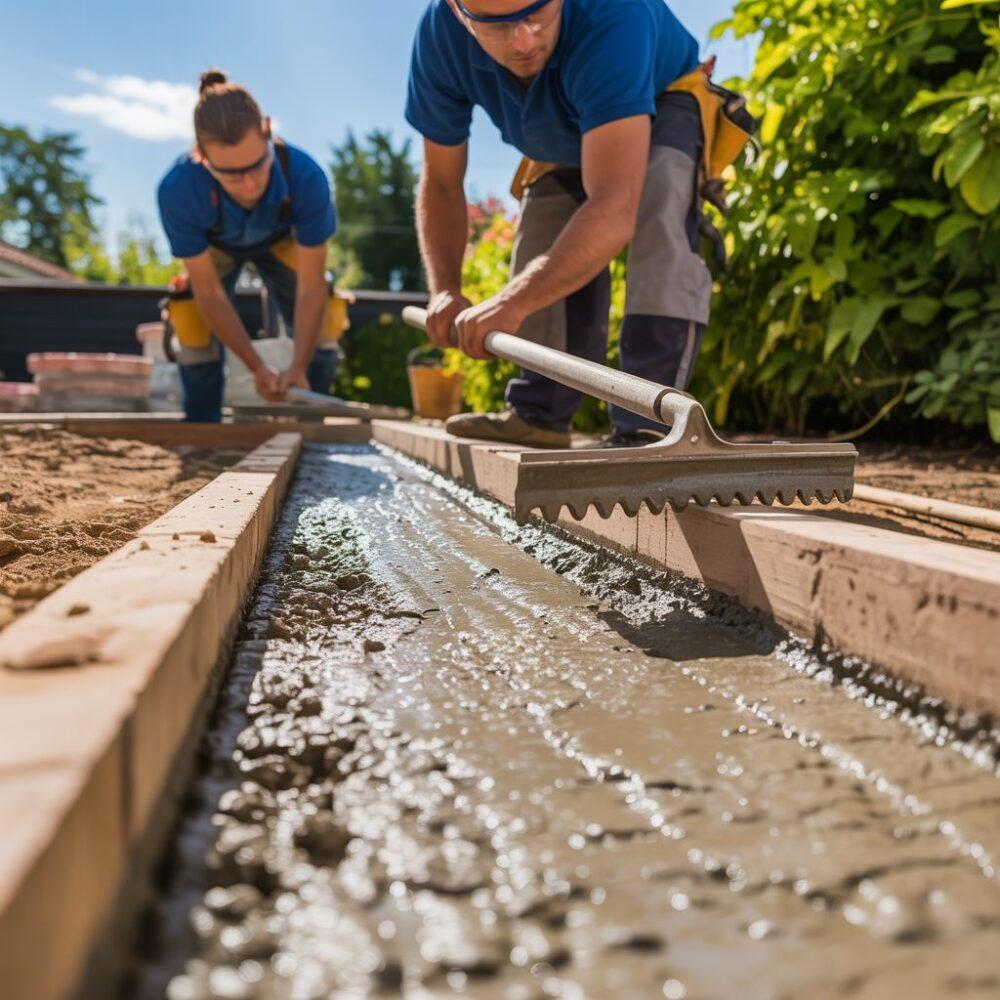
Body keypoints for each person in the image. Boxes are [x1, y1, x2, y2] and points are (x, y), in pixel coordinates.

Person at [407, 0, 731, 448]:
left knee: (660, 210)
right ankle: (539, 414)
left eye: (537, 13)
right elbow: (442, 183)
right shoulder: (439, 37)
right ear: (459, 14)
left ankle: (650, 428)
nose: (524, 41)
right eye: (497, 25)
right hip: (562, 130)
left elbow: (615, 207)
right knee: (542, 228)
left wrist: (512, 303)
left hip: (663, 95)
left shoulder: (615, 15)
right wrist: (444, 288)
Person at [157, 70, 340, 422]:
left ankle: (311, 424)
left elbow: (311, 287)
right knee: (191, 316)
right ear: (201, 157)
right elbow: (209, 292)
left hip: (281, 238)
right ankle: (203, 428)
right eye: (229, 174)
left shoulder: (306, 178)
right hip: (217, 245)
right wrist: (257, 367)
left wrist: (298, 365)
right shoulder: (177, 190)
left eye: (257, 166)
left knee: (327, 316)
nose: (247, 185)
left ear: (268, 131)